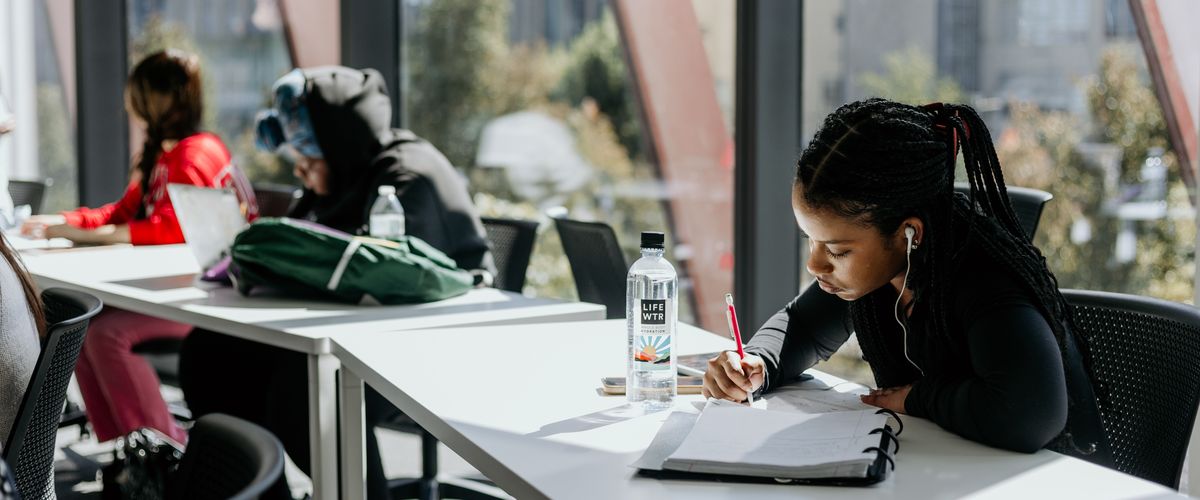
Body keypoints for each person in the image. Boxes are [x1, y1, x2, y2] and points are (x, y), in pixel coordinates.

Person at [702, 98, 1114, 465]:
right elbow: (806, 327)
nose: (816, 265)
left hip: (1043, 479)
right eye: (812, 241)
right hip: (945, 467)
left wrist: (918, 398)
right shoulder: (878, 269)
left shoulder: (984, 280)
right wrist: (756, 363)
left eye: (837, 250)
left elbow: (1030, 415)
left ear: (908, 233)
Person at [180, 66, 494, 499]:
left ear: (335, 145)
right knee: (211, 356)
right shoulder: (342, 177)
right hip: (356, 334)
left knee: (306, 389)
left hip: (441, 342)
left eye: (308, 162)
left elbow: (396, 279)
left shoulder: (406, 176)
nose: (302, 175)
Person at [20, 50, 253, 445]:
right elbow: (125, 212)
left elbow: (168, 230)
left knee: (105, 333)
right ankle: (128, 451)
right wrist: (70, 222)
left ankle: (162, 446)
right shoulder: (167, 154)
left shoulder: (194, 155)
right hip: (180, 291)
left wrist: (85, 236)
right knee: (85, 326)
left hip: (209, 301)